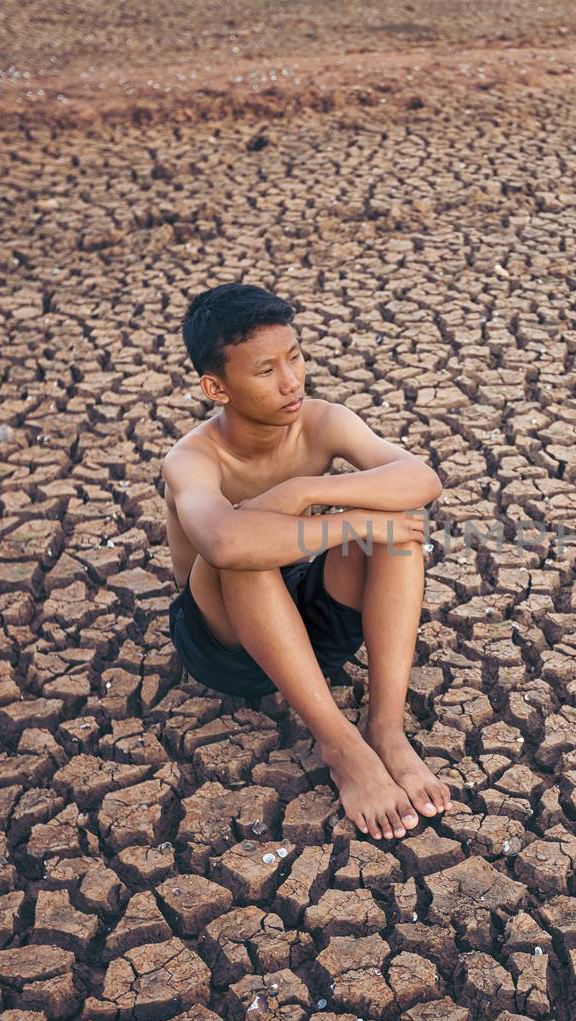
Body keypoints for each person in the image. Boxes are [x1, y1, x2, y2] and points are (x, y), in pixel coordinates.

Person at [161, 282, 451, 841]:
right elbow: (223, 544)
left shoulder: (322, 422)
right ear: (214, 387)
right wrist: (349, 519)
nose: (292, 381)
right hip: (226, 644)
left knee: (396, 533)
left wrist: (302, 489)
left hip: (315, 628)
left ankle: (387, 730)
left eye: (295, 357)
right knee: (243, 547)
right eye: (265, 371)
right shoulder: (193, 458)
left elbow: (422, 478)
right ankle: (341, 745)